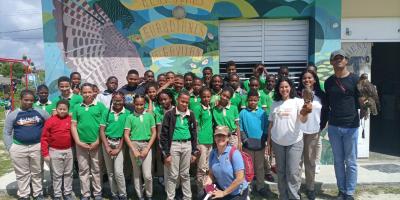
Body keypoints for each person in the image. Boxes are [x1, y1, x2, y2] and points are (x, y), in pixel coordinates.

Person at [268, 77, 311, 200]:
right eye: (281, 87)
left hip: (294, 142)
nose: (284, 89)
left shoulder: (297, 101)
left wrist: (306, 112)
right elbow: (271, 124)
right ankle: (283, 197)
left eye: (286, 86)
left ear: (290, 87)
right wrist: (269, 142)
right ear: (278, 89)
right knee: (280, 172)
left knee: (292, 173)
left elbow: (303, 119)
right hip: (277, 142)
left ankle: (294, 197)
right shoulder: (275, 104)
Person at [325, 50, 360, 200]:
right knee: (338, 161)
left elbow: (361, 101)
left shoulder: (355, 80)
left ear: (346, 61)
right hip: (334, 126)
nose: (338, 61)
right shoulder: (328, 82)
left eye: (341, 58)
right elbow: (326, 104)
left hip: (351, 125)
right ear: (332, 62)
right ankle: (341, 190)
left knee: (351, 161)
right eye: (335, 59)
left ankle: (350, 192)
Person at [3, 89, 50, 200]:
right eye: (26, 100)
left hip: (37, 147)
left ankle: (38, 193)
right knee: (22, 173)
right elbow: (6, 132)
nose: (29, 102)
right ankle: (24, 195)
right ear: (20, 100)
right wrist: (10, 147)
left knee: (37, 171)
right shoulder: (13, 115)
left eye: (31, 100)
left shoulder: (41, 112)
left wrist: (46, 143)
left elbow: (50, 126)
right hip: (19, 148)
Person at [71, 83, 107, 200]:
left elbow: (103, 126)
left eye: (89, 92)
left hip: (96, 143)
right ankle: (85, 193)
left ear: (94, 92)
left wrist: (98, 141)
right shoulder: (77, 107)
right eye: (84, 92)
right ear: (81, 93)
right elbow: (73, 125)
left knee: (96, 169)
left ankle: (97, 193)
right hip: (81, 144)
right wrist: (78, 141)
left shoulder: (100, 106)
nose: (87, 94)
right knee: (83, 170)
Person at [160, 91, 198, 200]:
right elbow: (164, 135)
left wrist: (194, 151)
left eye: (187, 102)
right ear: (177, 100)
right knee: (173, 175)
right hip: (174, 146)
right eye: (182, 101)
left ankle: (187, 197)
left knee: (185, 174)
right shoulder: (169, 114)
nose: (184, 104)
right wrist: (167, 153)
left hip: (187, 145)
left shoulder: (191, 114)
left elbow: (194, 133)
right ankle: (170, 197)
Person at [297, 69, 329, 200]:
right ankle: (296, 188)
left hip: (313, 133)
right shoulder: (297, 94)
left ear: (315, 80)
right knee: (297, 162)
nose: (307, 80)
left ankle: (310, 188)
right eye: (304, 78)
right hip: (298, 132)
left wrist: (320, 127)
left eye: (310, 78)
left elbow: (326, 112)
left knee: (310, 162)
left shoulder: (321, 96)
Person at [124, 95, 157, 200]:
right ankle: (140, 196)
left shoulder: (149, 116)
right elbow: (126, 134)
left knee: (147, 175)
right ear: (134, 104)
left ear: (145, 104)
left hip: (146, 146)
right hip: (134, 146)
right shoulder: (130, 117)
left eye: (141, 104)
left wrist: (147, 148)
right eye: (137, 104)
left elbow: (154, 133)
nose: (139, 106)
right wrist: (133, 149)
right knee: (137, 173)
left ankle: (149, 195)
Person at [203, 126, 249, 200]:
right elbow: (211, 175)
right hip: (221, 188)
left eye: (223, 135)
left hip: (237, 193)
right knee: (202, 195)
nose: (220, 138)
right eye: (218, 135)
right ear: (214, 138)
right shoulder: (212, 153)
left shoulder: (234, 153)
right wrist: (208, 184)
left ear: (228, 138)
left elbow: (240, 178)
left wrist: (223, 193)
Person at [41, 100, 74, 200]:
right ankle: (57, 194)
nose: (62, 111)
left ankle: (67, 192)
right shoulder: (50, 121)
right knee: (57, 174)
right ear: (56, 109)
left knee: (69, 173)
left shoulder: (71, 119)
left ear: (68, 110)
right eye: (60, 109)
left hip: (69, 150)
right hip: (54, 151)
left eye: (65, 109)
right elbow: (44, 138)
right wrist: (45, 153)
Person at [239, 89, 270, 196]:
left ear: (258, 100)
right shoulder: (243, 113)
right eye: (250, 100)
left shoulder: (263, 113)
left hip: (260, 144)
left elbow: (266, 127)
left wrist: (264, 139)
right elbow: (241, 128)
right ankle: (248, 187)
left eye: (255, 100)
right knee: (248, 167)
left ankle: (260, 186)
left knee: (260, 167)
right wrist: (245, 140)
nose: (252, 102)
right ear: (247, 100)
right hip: (248, 145)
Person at [99, 92, 129, 200]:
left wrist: (118, 148)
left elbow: (125, 133)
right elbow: (102, 131)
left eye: (120, 100)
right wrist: (107, 146)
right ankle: (114, 193)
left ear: (123, 100)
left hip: (120, 144)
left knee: (118, 172)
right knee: (110, 172)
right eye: (115, 100)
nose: (118, 102)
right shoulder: (106, 112)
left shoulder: (127, 113)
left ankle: (123, 194)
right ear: (112, 99)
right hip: (107, 143)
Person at [193, 87, 214, 198]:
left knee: (209, 168)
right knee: (201, 168)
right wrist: (196, 144)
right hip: (201, 142)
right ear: (200, 97)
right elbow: (195, 127)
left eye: (208, 96)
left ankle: (209, 189)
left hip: (210, 141)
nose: (206, 99)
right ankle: (200, 191)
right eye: (204, 97)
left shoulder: (211, 108)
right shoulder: (198, 108)